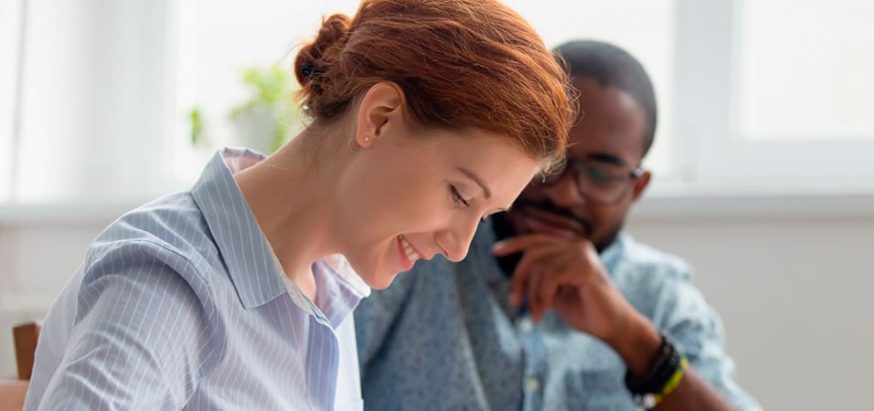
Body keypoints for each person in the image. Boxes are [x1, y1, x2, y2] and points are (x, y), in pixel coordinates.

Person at [23, 0, 574, 409]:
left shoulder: (327, 289)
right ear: (379, 118)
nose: (458, 248)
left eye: (483, 216)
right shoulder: (168, 283)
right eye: (460, 196)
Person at [355, 40, 762, 411]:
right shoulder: (417, 252)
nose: (565, 195)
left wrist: (634, 341)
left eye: (601, 174)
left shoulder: (659, 295)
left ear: (636, 188)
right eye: (551, 164)